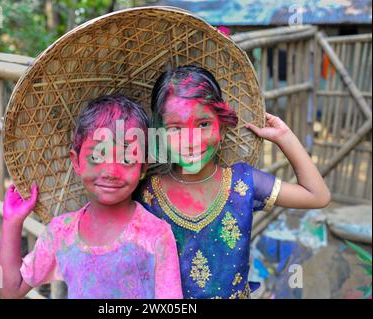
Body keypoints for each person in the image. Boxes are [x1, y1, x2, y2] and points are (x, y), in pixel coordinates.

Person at [137, 65, 331, 299]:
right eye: (175, 128)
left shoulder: (243, 183)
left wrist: (285, 138)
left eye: (203, 124)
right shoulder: (148, 194)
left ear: (222, 125)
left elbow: (317, 195)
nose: (191, 140)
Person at [0, 94, 183, 299]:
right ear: (76, 162)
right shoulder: (61, 232)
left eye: (126, 158)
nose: (110, 171)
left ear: (142, 167)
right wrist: (12, 222)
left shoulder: (155, 234)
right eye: (97, 156)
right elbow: (11, 290)